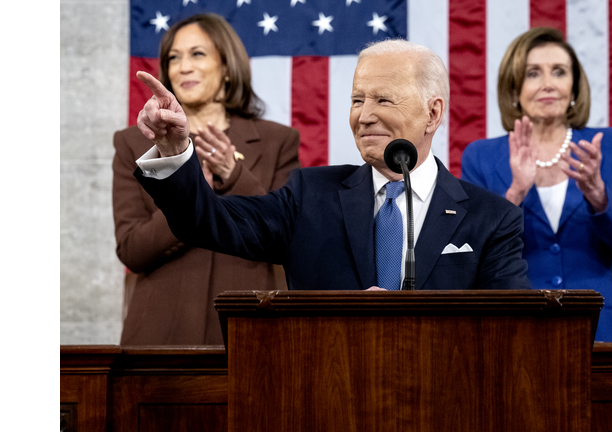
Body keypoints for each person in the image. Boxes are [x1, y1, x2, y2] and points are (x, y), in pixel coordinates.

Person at [130, 39, 530, 292]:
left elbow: (510, 332)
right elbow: (207, 221)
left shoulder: (492, 219)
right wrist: (175, 149)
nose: (364, 116)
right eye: (358, 100)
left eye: (383, 100)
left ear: (432, 113)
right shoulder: (309, 196)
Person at [112, 13, 300, 345]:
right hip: (160, 337)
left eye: (197, 54)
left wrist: (234, 174)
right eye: (174, 57)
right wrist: (187, 188)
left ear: (227, 66)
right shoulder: (134, 142)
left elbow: (286, 240)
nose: (183, 66)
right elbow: (132, 250)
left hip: (251, 332)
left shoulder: (277, 141)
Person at [461, 27, 612, 342]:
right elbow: (471, 256)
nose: (548, 84)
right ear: (514, 89)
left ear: (574, 87)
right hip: (519, 327)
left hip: (604, 326)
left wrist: (600, 198)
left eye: (559, 72)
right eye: (533, 73)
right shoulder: (481, 157)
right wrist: (515, 194)